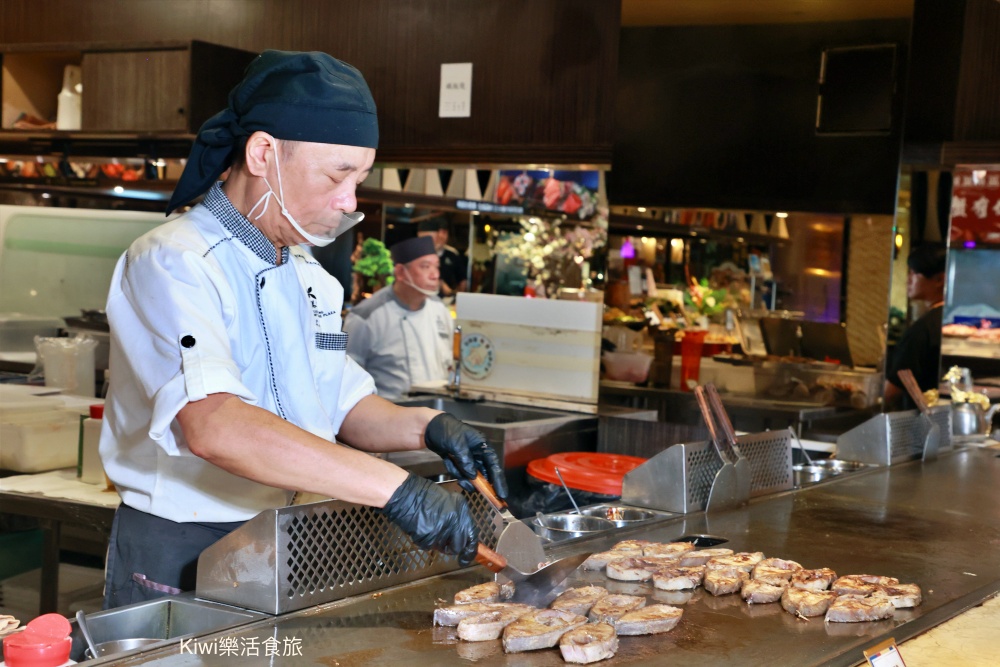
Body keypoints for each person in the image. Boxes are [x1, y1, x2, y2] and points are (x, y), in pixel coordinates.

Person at [99, 50, 506, 609]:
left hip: (287, 540)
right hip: (186, 548)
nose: (349, 202)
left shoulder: (309, 275)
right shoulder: (174, 261)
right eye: (337, 175)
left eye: (359, 179)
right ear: (263, 152)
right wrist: (396, 490)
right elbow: (215, 425)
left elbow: (337, 403)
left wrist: (429, 427)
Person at [343, 236, 453, 400]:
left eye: (436, 267)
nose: (435, 275)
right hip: (387, 415)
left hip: (437, 412)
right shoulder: (366, 316)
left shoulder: (440, 310)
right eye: (425, 267)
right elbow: (347, 380)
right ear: (401, 272)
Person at [884, 243, 947, 410]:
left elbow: (891, 391)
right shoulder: (949, 320)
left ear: (939, 280)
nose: (908, 279)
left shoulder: (923, 329)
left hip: (919, 425)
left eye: (914, 273)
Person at [417, 217, 468, 297]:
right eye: (423, 240)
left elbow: (462, 280)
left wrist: (457, 297)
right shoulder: (416, 254)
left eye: (430, 239)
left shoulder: (452, 254)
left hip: (445, 300)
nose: (426, 243)